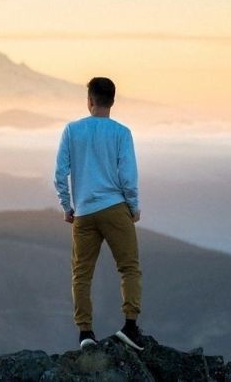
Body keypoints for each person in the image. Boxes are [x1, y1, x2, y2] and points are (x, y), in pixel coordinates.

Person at [54, 76, 145, 351]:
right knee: (129, 268)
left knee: (81, 274)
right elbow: (128, 176)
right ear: (112, 101)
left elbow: (60, 174)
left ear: (90, 100)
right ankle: (130, 326)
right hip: (115, 208)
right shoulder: (121, 133)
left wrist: (67, 206)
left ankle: (85, 333)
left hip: (83, 212)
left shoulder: (72, 130)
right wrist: (133, 206)